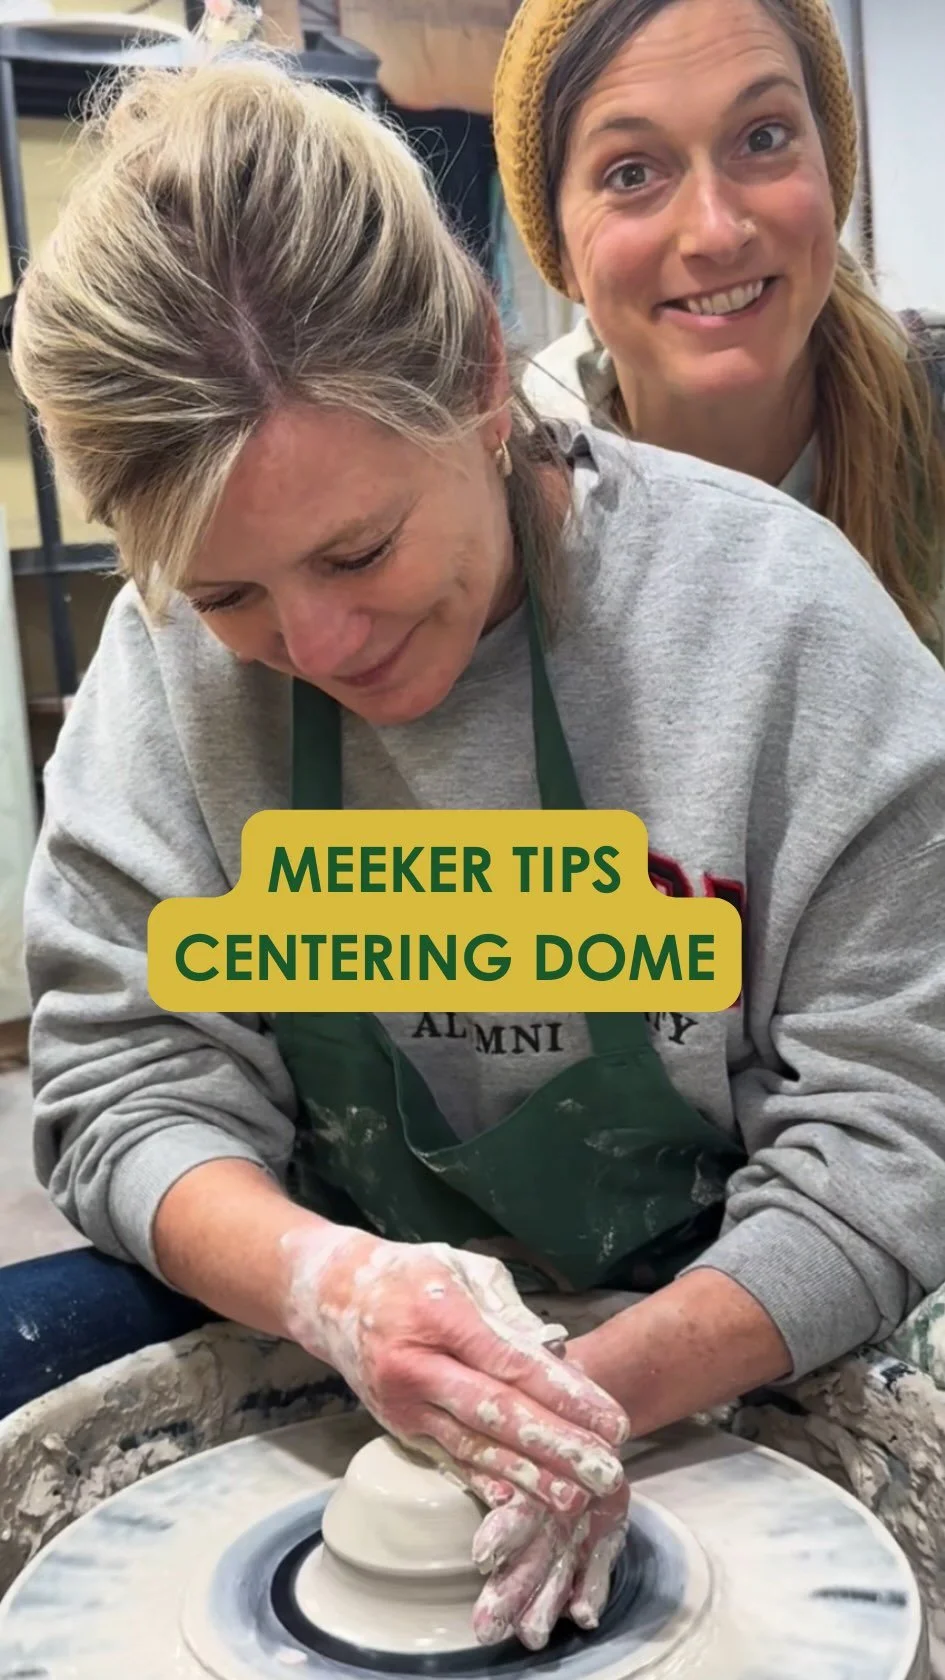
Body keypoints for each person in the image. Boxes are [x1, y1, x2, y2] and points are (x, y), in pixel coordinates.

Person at [7, 38, 945, 1650]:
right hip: (335, 1305)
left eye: (357, 549)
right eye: (228, 592)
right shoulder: (166, 667)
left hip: (718, 1295)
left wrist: (564, 1401)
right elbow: (124, 1078)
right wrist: (333, 1293)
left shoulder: (780, 626)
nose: (315, 645)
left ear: (483, 386)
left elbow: (893, 1133)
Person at [492, 0, 945, 650]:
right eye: (631, 174)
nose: (716, 232)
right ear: (558, 247)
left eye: (763, 138)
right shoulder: (511, 518)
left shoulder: (932, 413)